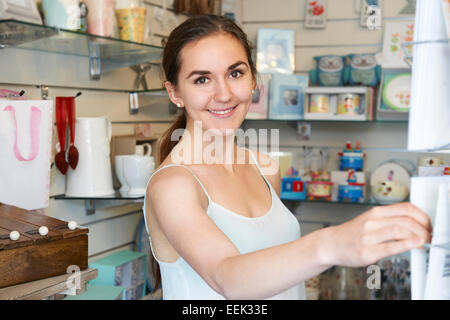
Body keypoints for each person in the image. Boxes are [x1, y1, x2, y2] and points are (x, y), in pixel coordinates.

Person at [143, 14, 431, 300]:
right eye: (202, 79)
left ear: (253, 79)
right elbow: (226, 276)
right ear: (175, 93)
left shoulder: (264, 167)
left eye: (235, 73)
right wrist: (331, 244)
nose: (224, 94)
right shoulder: (174, 184)